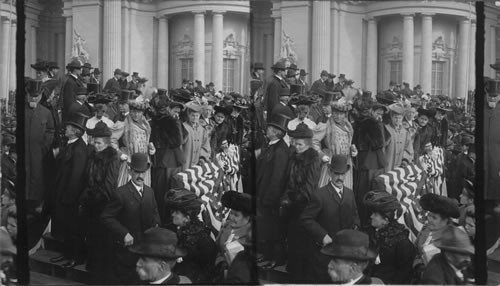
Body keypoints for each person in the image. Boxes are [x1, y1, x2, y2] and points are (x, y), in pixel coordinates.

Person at [101, 152, 161, 284]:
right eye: (136, 172)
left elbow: (155, 213)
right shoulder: (120, 193)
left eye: (142, 172)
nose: (140, 176)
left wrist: (156, 226)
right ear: (130, 171)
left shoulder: (150, 192)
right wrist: (124, 233)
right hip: (127, 252)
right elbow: (106, 217)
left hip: (145, 250)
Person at [300, 154, 360, 283]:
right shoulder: (320, 195)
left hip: (343, 252)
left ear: (346, 173)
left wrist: (355, 229)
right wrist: (323, 236)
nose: (339, 177)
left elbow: (355, 215)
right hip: (323, 254)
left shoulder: (350, 194)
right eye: (336, 173)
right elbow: (306, 219)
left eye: (342, 174)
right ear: (329, 172)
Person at [79, 121, 120, 284]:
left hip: (103, 203)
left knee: (102, 238)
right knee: (92, 236)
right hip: (90, 201)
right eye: (94, 142)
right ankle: (93, 266)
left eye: (98, 143)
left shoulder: (112, 157)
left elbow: (109, 185)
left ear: (106, 143)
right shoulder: (93, 155)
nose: (95, 145)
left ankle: (100, 272)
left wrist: (95, 198)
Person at [280, 123, 320, 282]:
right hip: (291, 203)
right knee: (291, 238)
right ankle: (293, 268)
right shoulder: (293, 155)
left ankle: (301, 274)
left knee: (301, 240)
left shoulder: (313, 158)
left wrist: (293, 199)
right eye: (295, 143)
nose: (296, 147)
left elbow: (310, 187)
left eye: (300, 144)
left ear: (308, 144)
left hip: (303, 205)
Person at [50, 112, 90, 269]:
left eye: (67, 127)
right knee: (67, 227)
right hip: (64, 195)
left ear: (74, 130)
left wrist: (69, 198)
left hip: (71, 197)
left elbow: (76, 177)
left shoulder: (79, 149)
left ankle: (76, 257)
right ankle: (67, 253)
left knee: (74, 228)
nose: (64, 129)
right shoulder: (70, 144)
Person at [256, 113, 290, 268]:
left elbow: (277, 178)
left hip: (271, 198)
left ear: (277, 131)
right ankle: (268, 255)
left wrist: (269, 199)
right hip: (264, 195)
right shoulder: (271, 145)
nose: (267, 129)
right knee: (266, 228)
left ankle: (276, 258)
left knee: (273, 229)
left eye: (270, 128)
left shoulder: (281, 150)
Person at [24, 79, 55, 250]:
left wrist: (44, 146)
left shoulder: (46, 113)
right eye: (31, 96)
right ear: (27, 95)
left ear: (41, 95)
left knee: (36, 186)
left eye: (36, 97)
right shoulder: (20, 111)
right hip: (23, 157)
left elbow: (51, 131)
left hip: (38, 158)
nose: (33, 99)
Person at [163, 188, 217, 283]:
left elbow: (207, 271)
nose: (173, 214)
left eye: (177, 212)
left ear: (187, 218)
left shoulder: (203, 240)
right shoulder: (174, 231)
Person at [363, 190, 416, 284]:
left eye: (375, 214)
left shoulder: (401, 241)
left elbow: (404, 272)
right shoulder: (369, 233)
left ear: (385, 220)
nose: (371, 216)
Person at [351, 94, 388, 227]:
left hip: (369, 164)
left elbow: (378, 143)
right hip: (367, 163)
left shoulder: (370, 124)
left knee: (365, 194)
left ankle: (366, 223)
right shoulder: (369, 123)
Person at [150, 100, 186, 223]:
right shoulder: (168, 122)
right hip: (168, 161)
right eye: (174, 111)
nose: (176, 114)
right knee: (164, 191)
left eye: (178, 112)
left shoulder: (168, 122)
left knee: (163, 192)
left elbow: (179, 140)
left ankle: (164, 219)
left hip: (166, 162)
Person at [413, 193, 460, 282]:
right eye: (429, 215)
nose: (429, 219)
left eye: (434, 217)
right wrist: (419, 266)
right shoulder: (426, 229)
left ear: (445, 220)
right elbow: (416, 251)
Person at [313, 98, 357, 189]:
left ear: (345, 114)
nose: (338, 116)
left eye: (341, 114)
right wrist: (321, 155)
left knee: (344, 189)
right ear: (332, 113)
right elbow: (313, 141)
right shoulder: (327, 125)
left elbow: (349, 143)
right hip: (332, 161)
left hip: (346, 162)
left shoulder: (348, 127)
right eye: (336, 113)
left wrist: (353, 149)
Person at [112, 99, 155, 187]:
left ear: (142, 112)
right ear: (130, 111)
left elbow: (146, 141)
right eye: (133, 112)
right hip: (130, 161)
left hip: (143, 161)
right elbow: (111, 139)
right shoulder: (124, 124)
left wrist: (151, 149)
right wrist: (119, 153)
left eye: (139, 112)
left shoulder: (146, 125)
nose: (136, 114)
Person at [215, 191, 253, 282]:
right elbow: (218, 249)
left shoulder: (251, 234)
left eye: (236, 215)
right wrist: (220, 263)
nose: (231, 217)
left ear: (247, 218)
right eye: (231, 213)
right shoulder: (227, 226)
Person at [384, 102, 414, 172]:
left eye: (399, 118)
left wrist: (405, 159)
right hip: (388, 161)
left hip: (400, 163)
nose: (397, 120)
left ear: (402, 118)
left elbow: (408, 147)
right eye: (395, 118)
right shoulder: (386, 129)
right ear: (391, 117)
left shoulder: (405, 132)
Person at [181, 101, 211, 170]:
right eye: (192, 115)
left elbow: (205, 145)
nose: (194, 118)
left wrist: (202, 157)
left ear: (199, 116)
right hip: (185, 159)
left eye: (196, 116)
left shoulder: (202, 130)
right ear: (188, 115)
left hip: (197, 161)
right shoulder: (183, 127)